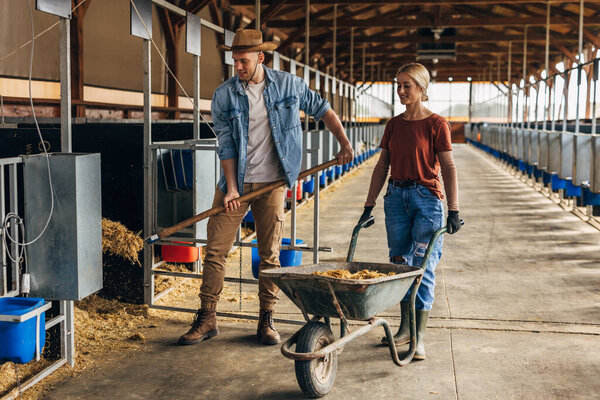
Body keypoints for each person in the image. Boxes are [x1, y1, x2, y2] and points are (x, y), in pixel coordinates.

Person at [178, 29, 353, 346]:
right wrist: (231, 188)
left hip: (273, 183)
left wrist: (343, 141)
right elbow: (227, 144)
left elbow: (323, 108)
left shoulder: (289, 85)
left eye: (243, 61)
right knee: (216, 250)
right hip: (237, 184)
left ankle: (266, 319)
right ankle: (207, 317)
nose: (238, 67)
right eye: (234, 61)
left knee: (270, 255)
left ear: (261, 57)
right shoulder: (224, 95)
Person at [358, 63, 461, 360]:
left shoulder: (437, 124)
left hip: (426, 199)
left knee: (423, 268)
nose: (401, 90)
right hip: (396, 197)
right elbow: (382, 166)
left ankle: (420, 337)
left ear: (421, 89)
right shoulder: (393, 124)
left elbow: (449, 167)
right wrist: (369, 204)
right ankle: (405, 328)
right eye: (398, 84)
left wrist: (453, 209)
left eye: (407, 85)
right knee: (401, 264)